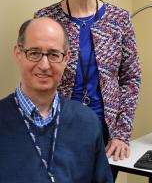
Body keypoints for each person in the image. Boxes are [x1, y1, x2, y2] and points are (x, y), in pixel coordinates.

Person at [34, 0, 141, 163]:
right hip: (57, 128)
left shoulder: (119, 19)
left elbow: (131, 79)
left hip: (105, 134)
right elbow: (36, 75)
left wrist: (121, 134)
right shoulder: (45, 19)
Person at [0, 17, 113, 183]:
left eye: (54, 54)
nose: (44, 65)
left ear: (66, 59)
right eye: (34, 53)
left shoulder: (88, 122)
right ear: (18, 54)